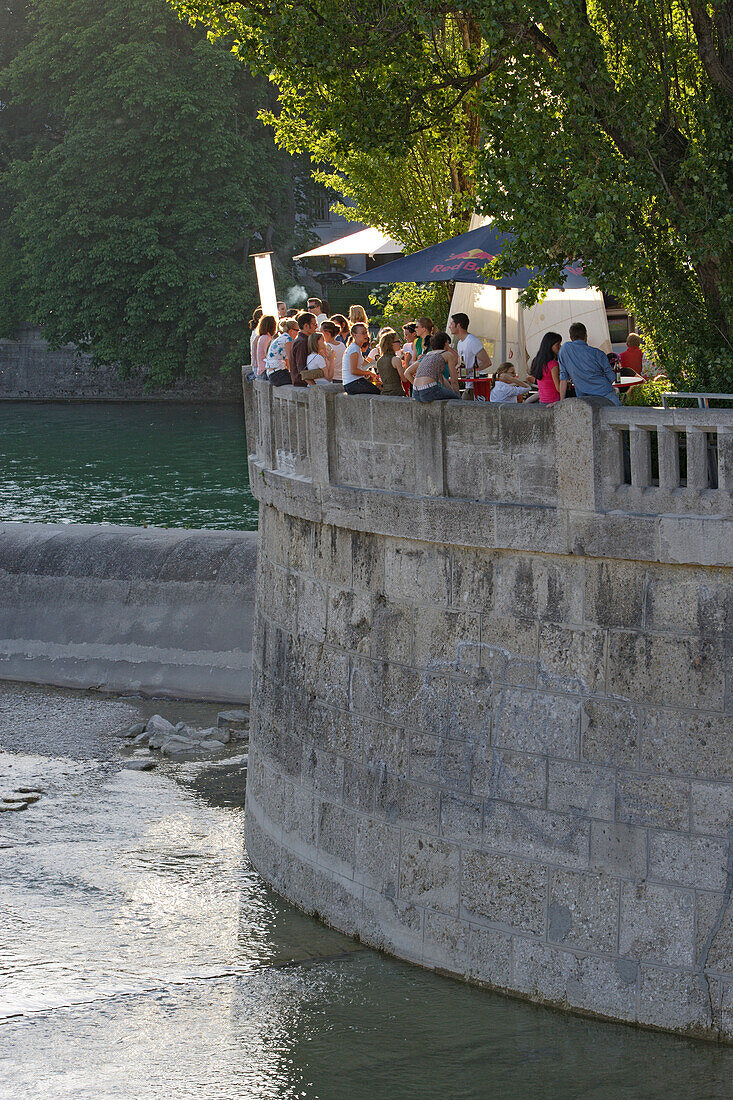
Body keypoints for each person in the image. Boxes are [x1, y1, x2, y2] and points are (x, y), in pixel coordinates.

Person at [558, 322, 621, 405]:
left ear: (570, 337)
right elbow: (612, 377)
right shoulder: (598, 353)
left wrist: (561, 401)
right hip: (605, 393)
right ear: (586, 335)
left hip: (583, 398)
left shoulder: (565, 349)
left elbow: (563, 378)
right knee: (617, 414)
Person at [449, 312, 492, 401]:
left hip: (476, 388)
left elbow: (487, 362)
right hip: (467, 385)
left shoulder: (472, 341)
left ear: (459, 325)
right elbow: (463, 363)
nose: (450, 326)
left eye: (451, 324)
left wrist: (468, 372)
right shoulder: (460, 343)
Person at [408, 332, 460, 402]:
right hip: (429, 390)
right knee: (458, 400)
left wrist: (451, 393)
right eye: (448, 343)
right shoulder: (447, 354)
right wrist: (457, 396)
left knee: (451, 395)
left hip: (415, 392)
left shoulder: (427, 355)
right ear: (445, 343)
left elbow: (443, 380)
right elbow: (454, 381)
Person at [342, 323, 381, 394]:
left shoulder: (356, 348)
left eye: (366, 332)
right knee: (377, 392)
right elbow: (353, 371)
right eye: (363, 333)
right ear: (355, 335)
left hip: (352, 383)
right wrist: (369, 373)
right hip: (353, 383)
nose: (366, 335)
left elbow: (366, 364)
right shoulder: (354, 349)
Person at [530, 331, 563, 404]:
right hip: (553, 400)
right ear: (550, 346)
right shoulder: (553, 364)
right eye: (558, 345)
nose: (560, 347)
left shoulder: (538, 362)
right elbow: (558, 388)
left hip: (542, 400)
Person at [265, 318, 298, 386]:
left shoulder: (282, 337)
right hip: (278, 374)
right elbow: (290, 358)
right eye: (297, 330)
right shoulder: (288, 339)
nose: (298, 333)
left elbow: (287, 360)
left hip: (273, 374)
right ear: (291, 330)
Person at [375, 330, 407, 396]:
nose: (400, 343)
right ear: (391, 344)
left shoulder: (380, 361)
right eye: (398, 341)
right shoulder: (396, 359)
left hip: (385, 394)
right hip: (397, 393)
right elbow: (404, 379)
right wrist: (407, 361)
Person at [290, 312, 317, 386]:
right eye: (314, 324)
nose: (316, 327)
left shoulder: (303, 340)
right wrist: (313, 385)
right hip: (302, 383)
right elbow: (301, 367)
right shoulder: (302, 342)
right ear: (306, 326)